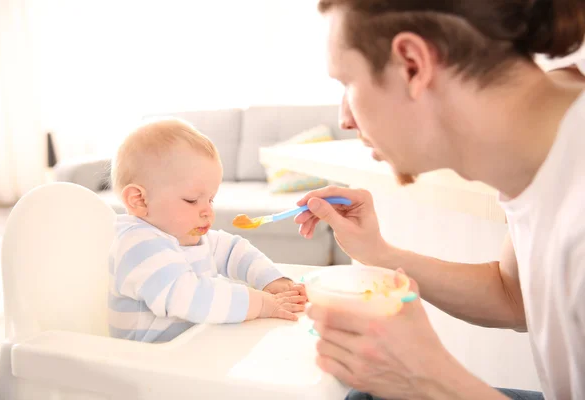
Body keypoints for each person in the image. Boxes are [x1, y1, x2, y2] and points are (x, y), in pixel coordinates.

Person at [295, 0, 585, 399]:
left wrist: (431, 380)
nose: (345, 118)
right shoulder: (544, 130)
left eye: (347, 82)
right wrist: (377, 252)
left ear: (412, 64)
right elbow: (513, 295)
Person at [108, 117, 306, 343]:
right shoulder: (138, 246)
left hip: (193, 348)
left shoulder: (185, 234)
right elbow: (187, 296)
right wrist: (261, 304)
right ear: (140, 200)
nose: (207, 212)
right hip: (146, 363)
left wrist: (271, 280)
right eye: (192, 200)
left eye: (210, 200)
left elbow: (234, 251)